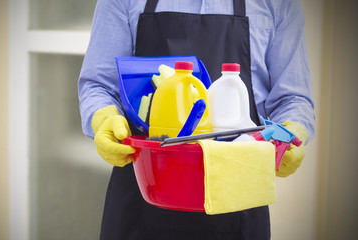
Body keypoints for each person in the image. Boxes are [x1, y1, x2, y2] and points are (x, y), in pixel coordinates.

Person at [78, 0, 315, 239]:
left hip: (238, 203)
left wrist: (292, 131)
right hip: (141, 196)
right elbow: (99, 85)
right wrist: (103, 117)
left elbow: (293, 98)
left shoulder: (278, 4)